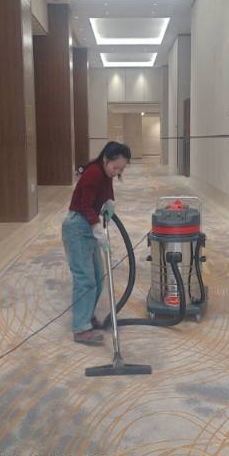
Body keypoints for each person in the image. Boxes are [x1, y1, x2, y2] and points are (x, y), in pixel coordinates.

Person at [62, 141, 131, 345]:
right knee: (85, 279)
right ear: (106, 159)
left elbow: (106, 194)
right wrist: (96, 227)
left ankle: (87, 314)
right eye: (115, 167)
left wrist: (109, 203)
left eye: (121, 169)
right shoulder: (93, 173)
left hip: (89, 226)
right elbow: (85, 205)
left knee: (97, 278)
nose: (117, 172)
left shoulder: (105, 173)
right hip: (77, 227)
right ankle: (81, 328)